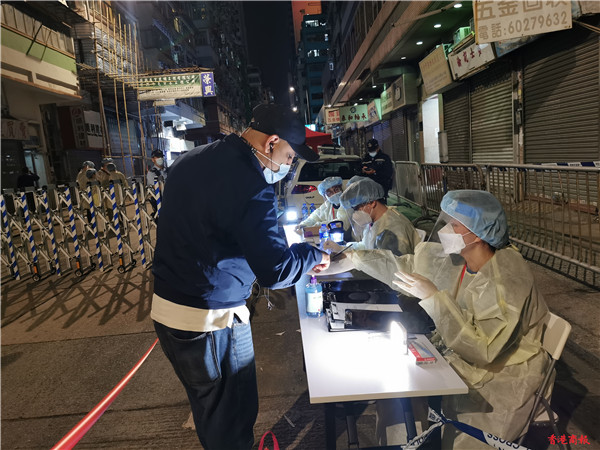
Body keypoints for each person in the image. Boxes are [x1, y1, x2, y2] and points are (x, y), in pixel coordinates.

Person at [151, 103, 330, 449]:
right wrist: (312, 255)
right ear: (271, 142)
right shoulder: (251, 184)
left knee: (211, 414)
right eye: (289, 157)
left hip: (169, 313)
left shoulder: (191, 160)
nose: (287, 167)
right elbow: (276, 270)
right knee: (232, 421)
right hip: (211, 322)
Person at [335, 190, 550, 448]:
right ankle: (404, 442)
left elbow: (484, 349)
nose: (446, 230)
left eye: (455, 225)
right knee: (396, 389)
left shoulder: (506, 278)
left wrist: (434, 298)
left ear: (478, 234)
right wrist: (352, 257)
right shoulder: (460, 259)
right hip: (458, 352)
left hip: (502, 373)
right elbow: (407, 268)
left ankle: (416, 439)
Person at [325, 177, 420, 257]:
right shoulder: (373, 222)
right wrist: (342, 249)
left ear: (372, 203)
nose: (354, 214)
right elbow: (365, 246)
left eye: (356, 208)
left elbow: (394, 265)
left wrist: (354, 258)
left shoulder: (394, 228)